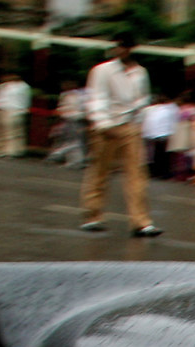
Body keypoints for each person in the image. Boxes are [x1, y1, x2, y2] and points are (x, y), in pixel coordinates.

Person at [79, 35, 161, 237]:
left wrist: (137, 121)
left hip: (130, 126)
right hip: (107, 126)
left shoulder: (140, 72)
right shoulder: (103, 70)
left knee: (137, 174)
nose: (122, 50)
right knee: (100, 172)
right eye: (119, 47)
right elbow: (97, 98)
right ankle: (93, 216)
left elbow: (143, 99)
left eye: (126, 47)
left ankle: (140, 221)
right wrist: (103, 124)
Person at [0, 72, 32, 159]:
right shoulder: (1, 86)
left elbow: (26, 99)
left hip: (15, 110)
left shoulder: (23, 86)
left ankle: (14, 151)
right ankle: (1, 150)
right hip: (2, 109)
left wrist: (23, 110)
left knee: (14, 133)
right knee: (1, 132)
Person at [49, 80, 86, 168]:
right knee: (72, 141)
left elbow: (73, 108)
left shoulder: (76, 96)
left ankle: (59, 155)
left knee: (73, 141)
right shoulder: (69, 95)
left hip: (74, 119)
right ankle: (73, 160)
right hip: (69, 119)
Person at [141, 93, 179, 179]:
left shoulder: (156, 109)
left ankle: (157, 172)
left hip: (155, 134)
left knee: (157, 155)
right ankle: (163, 173)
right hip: (164, 134)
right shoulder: (171, 109)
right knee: (163, 155)